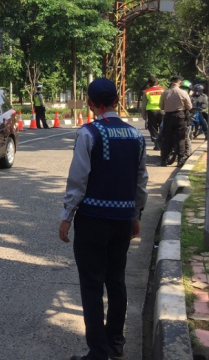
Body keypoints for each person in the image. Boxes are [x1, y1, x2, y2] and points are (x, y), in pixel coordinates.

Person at [59, 78, 148, 360]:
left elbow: (78, 181)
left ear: (91, 103)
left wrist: (66, 216)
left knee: (92, 284)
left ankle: (98, 352)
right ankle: (116, 341)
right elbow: (141, 181)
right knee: (116, 279)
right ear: (116, 101)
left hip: (93, 220)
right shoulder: (136, 136)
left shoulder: (89, 133)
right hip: (122, 220)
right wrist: (136, 215)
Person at [159, 76, 193, 166]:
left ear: (171, 82)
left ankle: (164, 159)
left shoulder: (165, 93)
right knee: (181, 138)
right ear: (180, 83)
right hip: (180, 116)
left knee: (167, 138)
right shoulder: (183, 93)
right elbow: (189, 106)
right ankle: (180, 160)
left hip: (168, 117)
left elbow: (160, 106)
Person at [141, 76, 165, 150]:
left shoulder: (147, 91)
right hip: (162, 111)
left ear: (149, 83)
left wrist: (143, 115)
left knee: (153, 128)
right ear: (157, 82)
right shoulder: (163, 90)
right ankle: (163, 143)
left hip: (151, 111)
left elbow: (144, 104)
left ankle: (156, 144)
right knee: (163, 127)